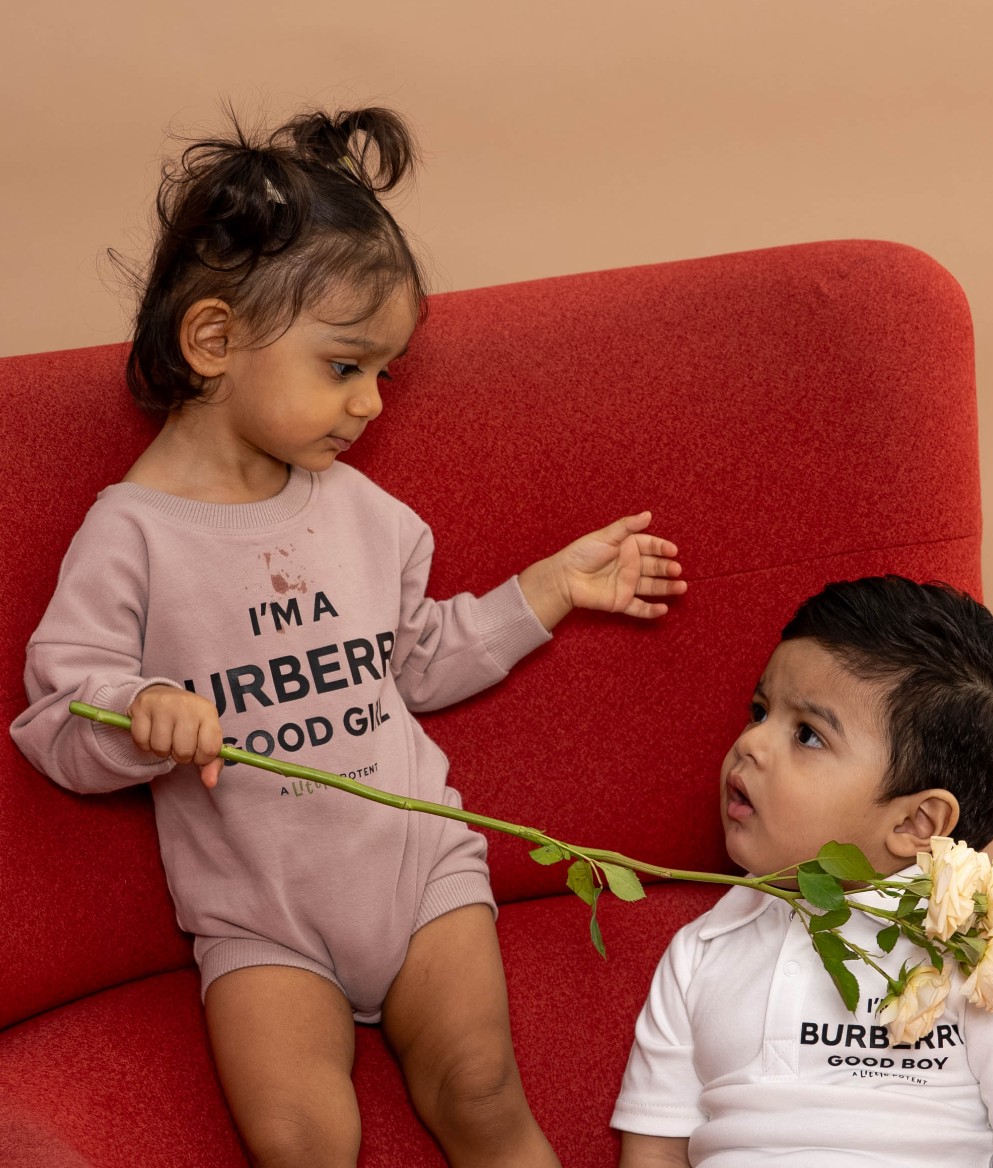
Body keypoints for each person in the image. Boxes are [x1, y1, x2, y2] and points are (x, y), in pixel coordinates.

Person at [10, 105, 687, 1168]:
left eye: (385, 373)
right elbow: (56, 715)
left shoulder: (367, 514)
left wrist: (547, 589)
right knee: (300, 1137)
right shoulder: (131, 535)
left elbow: (413, 660)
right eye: (343, 367)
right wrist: (140, 713)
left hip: (416, 869)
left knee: (479, 1084)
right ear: (215, 341)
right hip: (261, 916)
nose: (370, 403)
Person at [612, 576, 993, 1167]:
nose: (751, 743)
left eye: (807, 735)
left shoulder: (992, 958)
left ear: (916, 822)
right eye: (759, 711)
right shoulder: (701, 951)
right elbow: (653, 1153)